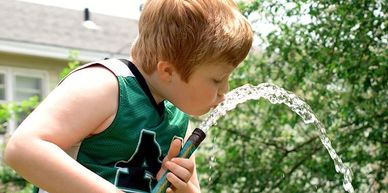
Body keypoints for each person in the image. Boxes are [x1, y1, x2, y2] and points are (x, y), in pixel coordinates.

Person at [4, 0, 253, 192]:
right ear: (168, 70)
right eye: (217, 79)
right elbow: (23, 148)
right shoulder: (106, 85)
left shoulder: (176, 118)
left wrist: (181, 186)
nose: (224, 91)